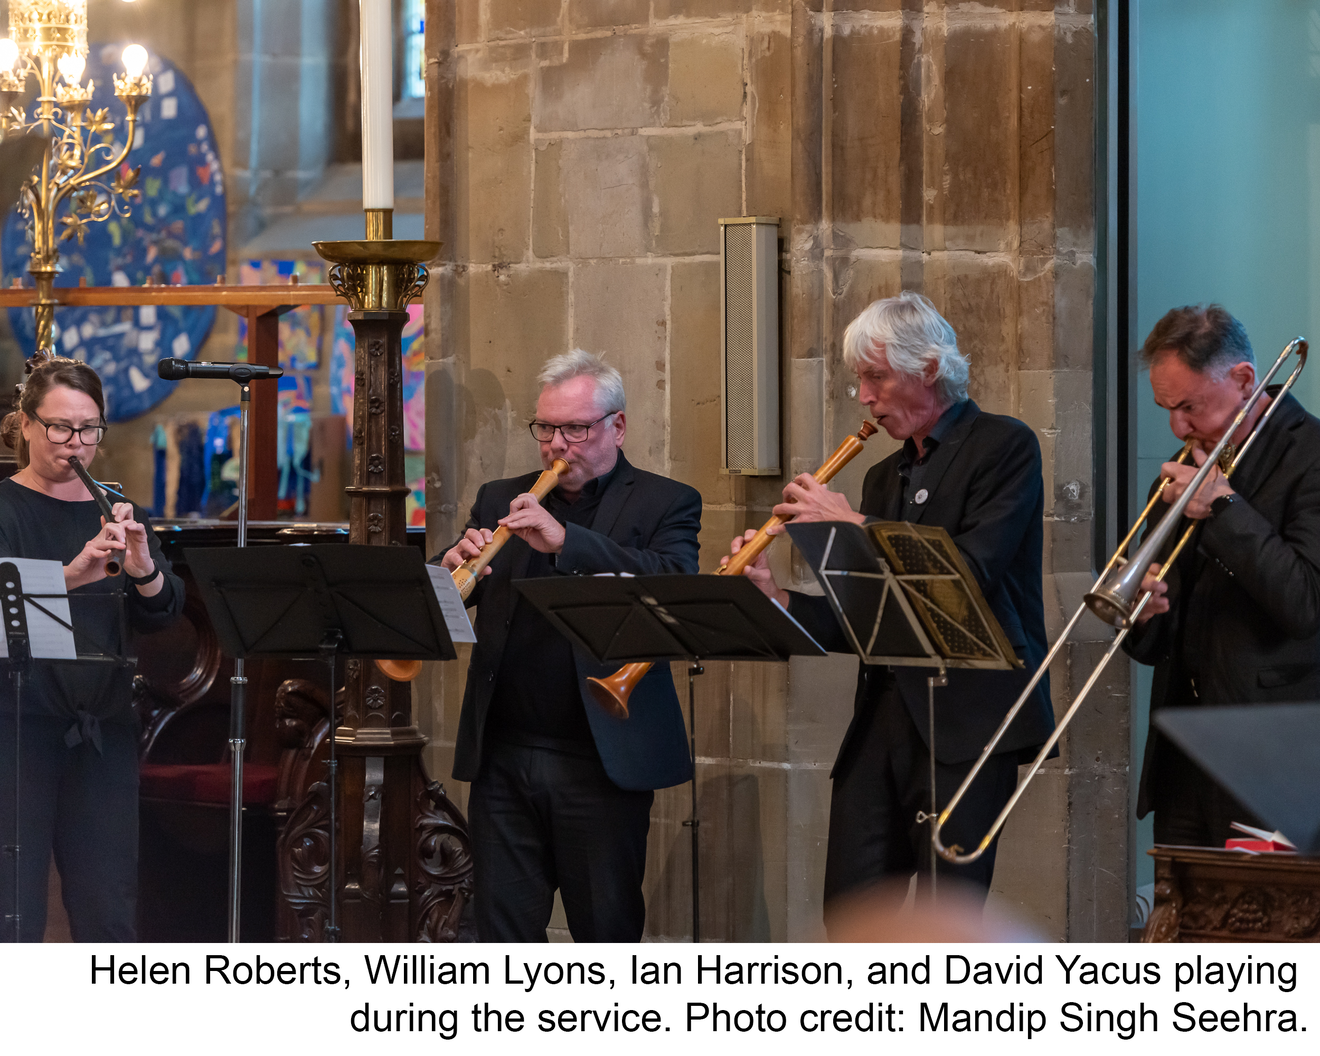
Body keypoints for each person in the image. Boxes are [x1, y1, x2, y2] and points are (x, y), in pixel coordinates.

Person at [730, 292, 1055, 911]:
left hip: (968, 721)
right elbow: (865, 618)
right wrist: (775, 597)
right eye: (861, 379)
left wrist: (851, 524)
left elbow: (968, 574)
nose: (863, 396)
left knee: (945, 920)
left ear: (928, 368)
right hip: (882, 720)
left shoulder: (1003, 446)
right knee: (849, 915)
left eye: (875, 376)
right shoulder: (885, 476)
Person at [437, 349, 700, 941]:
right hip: (503, 759)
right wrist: (450, 564)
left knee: (605, 934)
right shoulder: (500, 496)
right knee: (501, 938)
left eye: (576, 429)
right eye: (547, 428)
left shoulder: (666, 501)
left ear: (617, 427)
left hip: (600, 762)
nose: (557, 445)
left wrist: (566, 542)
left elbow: (672, 584)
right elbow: (452, 594)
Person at [0, 355, 184, 942]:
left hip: (103, 728)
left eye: (89, 429)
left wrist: (143, 567)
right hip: (17, 729)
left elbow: (163, 612)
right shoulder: (4, 509)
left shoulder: (119, 509)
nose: (76, 443)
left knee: (107, 906)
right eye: (60, 427)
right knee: (13, 908)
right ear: (26, 424)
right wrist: (73, 575)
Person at [1125, 305, 1320, 846]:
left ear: (1243, 380)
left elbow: (1305, 603)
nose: (1177, 428)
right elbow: (1153, 645)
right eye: (1167, 409)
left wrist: (1225, 508)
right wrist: (1144, 611)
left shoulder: (1312, 455)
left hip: (1275, 762)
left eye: (1189, 407)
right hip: (1184, 758)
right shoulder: (1182, 471)